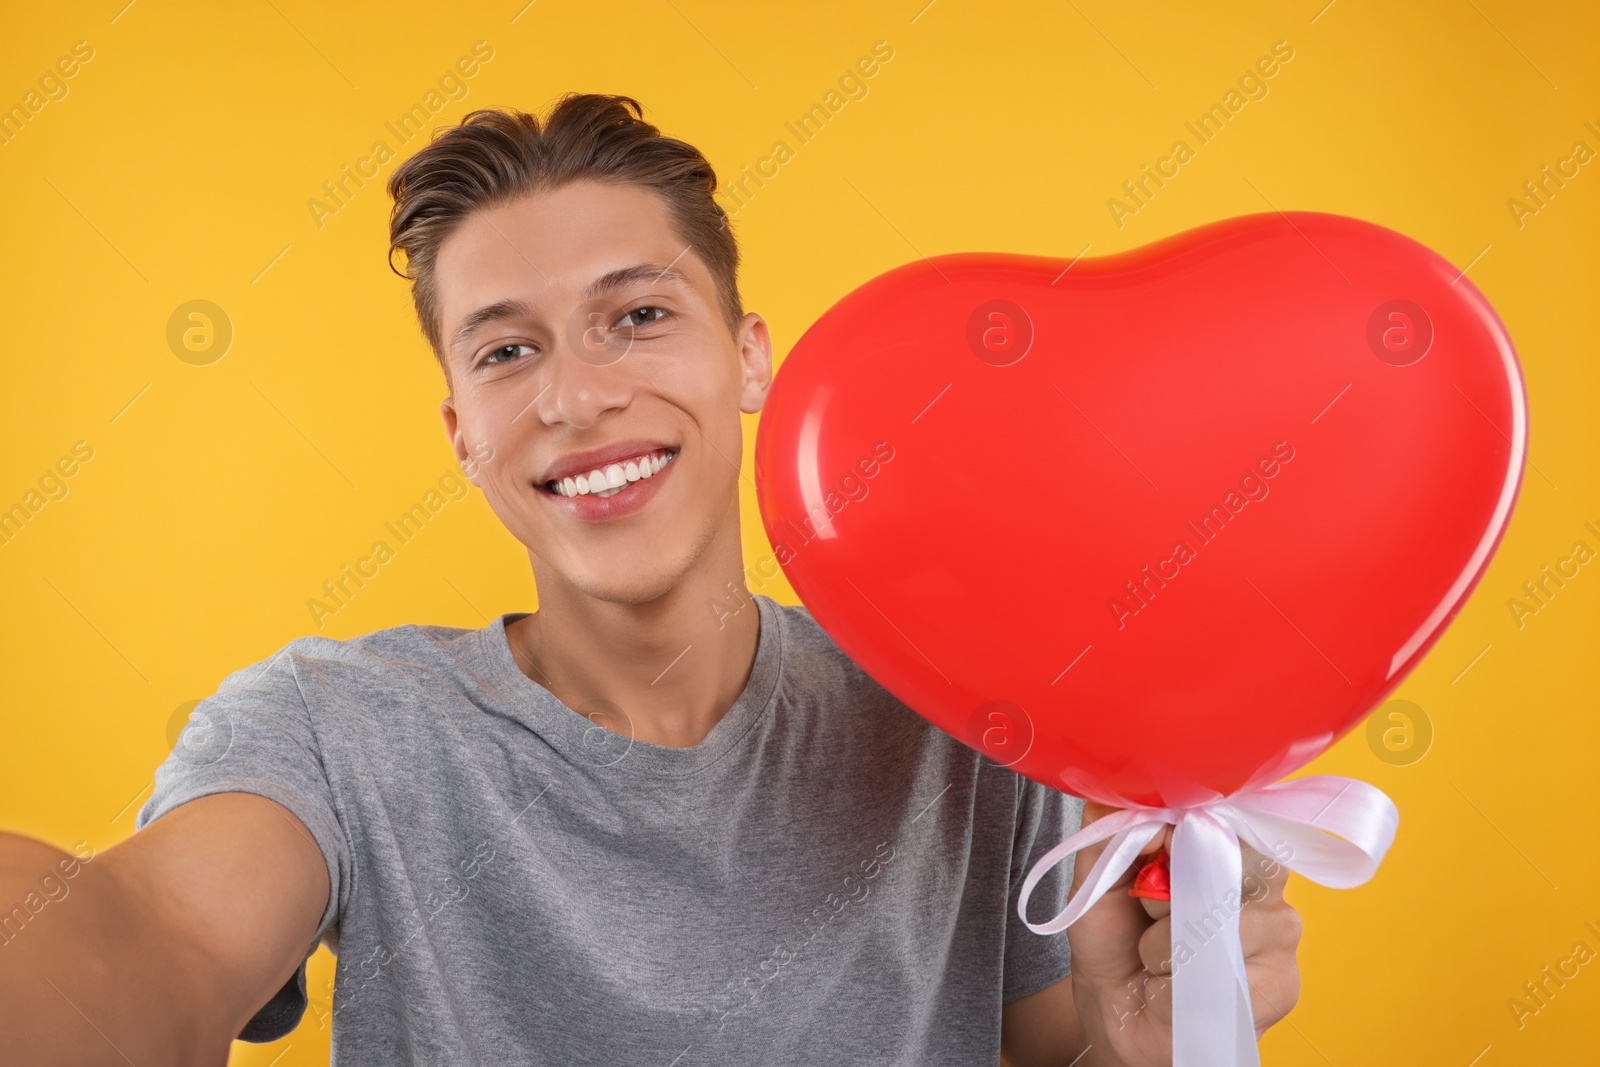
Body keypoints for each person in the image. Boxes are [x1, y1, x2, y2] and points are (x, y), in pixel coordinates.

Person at [0, 93, 1300, 1066]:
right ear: (462, 432)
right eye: (507, 352)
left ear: (746, 359)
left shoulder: (962, 713)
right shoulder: (340, 732)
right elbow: (153, 943)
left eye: (638, 315)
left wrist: (1137, 1044)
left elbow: (1037, 1047)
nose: (578, 395)